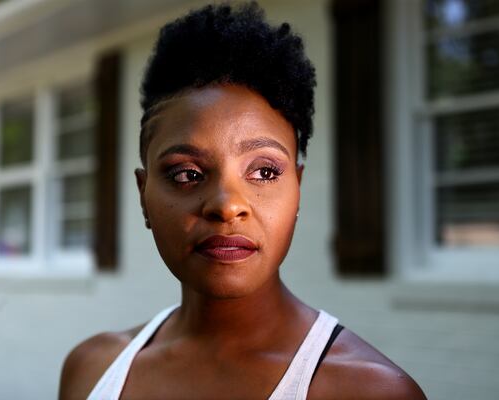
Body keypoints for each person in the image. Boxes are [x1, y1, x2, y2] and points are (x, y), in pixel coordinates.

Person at [59, 2, 426, 399]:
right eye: (186, 174)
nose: (227, 205)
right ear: (143, 196)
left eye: (265, 172)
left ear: (297, 188)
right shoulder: (92, 369)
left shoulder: (370, 391)